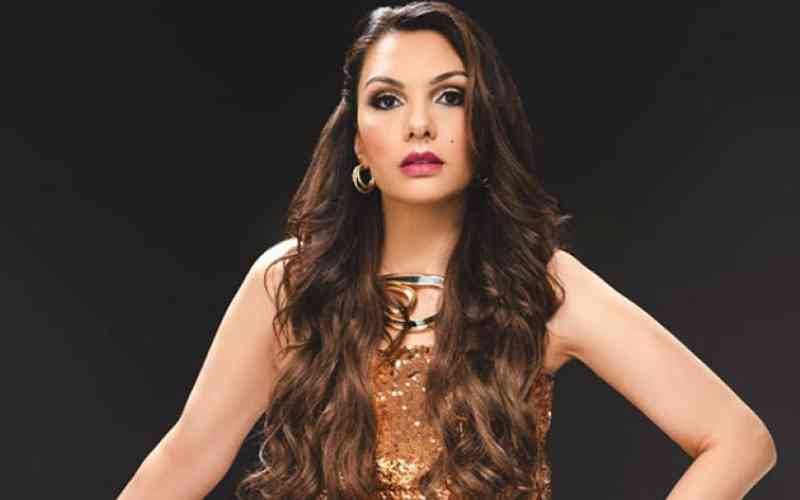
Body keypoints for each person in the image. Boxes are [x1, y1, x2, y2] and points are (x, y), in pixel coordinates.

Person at [117, 2, 777, 499]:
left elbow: (738, 440)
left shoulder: (539, 285)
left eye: (450, 96)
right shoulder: (290, 281)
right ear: (357, 141)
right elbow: (186, 458)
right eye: (387, 100)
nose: (419, 124)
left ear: (482, 122)